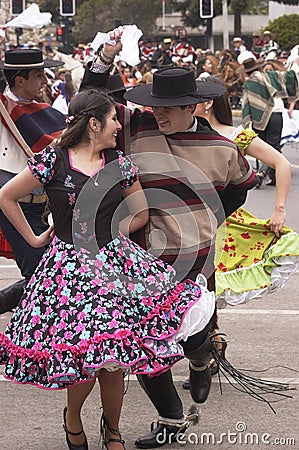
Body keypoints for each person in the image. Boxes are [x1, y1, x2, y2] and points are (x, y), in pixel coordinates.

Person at [0, 89, 217, 450]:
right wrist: (36, 239)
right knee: (83, 357)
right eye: (113, 119)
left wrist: (111, 234)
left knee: (113, 361)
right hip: (67, 272)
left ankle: (112, 432)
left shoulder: (119, 162)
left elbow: (142, 212)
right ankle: (73, 421)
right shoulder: (52, 160)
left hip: (115, 266)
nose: (119, 125)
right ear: (94, 122)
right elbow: (6, 195)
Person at [80, 27, 259, 448]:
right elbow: (88, 104)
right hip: (142, 258)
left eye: (171, 108)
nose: (160, 114)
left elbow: (240, 187)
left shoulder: (222, 148)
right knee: (141, 344)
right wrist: (105, 58)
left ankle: (201, 356)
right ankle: (173, 420)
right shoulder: (136, 125)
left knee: (185, 332)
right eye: (156, 106)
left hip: (192, 260)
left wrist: (205, 217)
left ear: (194, 105)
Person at [181, 76, 297, 386]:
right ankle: (210, 345)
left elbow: (282, 164)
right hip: (188, 223)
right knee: (199, 290)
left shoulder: (235, 135)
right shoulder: (180, 135)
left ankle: (209, 348)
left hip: (226, 223)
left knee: (209, 288)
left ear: (205, 103)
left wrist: (280, 209)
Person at [0, 49, 66, 315]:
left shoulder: (43, 105)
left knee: (49, 272)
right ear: (19, 80)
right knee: (39, 274)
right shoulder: (4, 107)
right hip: (14, 201)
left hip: (45, 201)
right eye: (39, 75)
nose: (45, 81)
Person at [236, 53, 299, 186]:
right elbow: (290, 77)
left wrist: (246, 123)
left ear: (246, 71)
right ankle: (271, 175)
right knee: (274, 146)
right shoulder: (271, 76)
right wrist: (294, 63)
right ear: (258, 67)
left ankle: (263, 172)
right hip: (275, 115)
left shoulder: (248, 84)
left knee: (262, 147)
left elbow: (246, 105)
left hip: (259, 119)